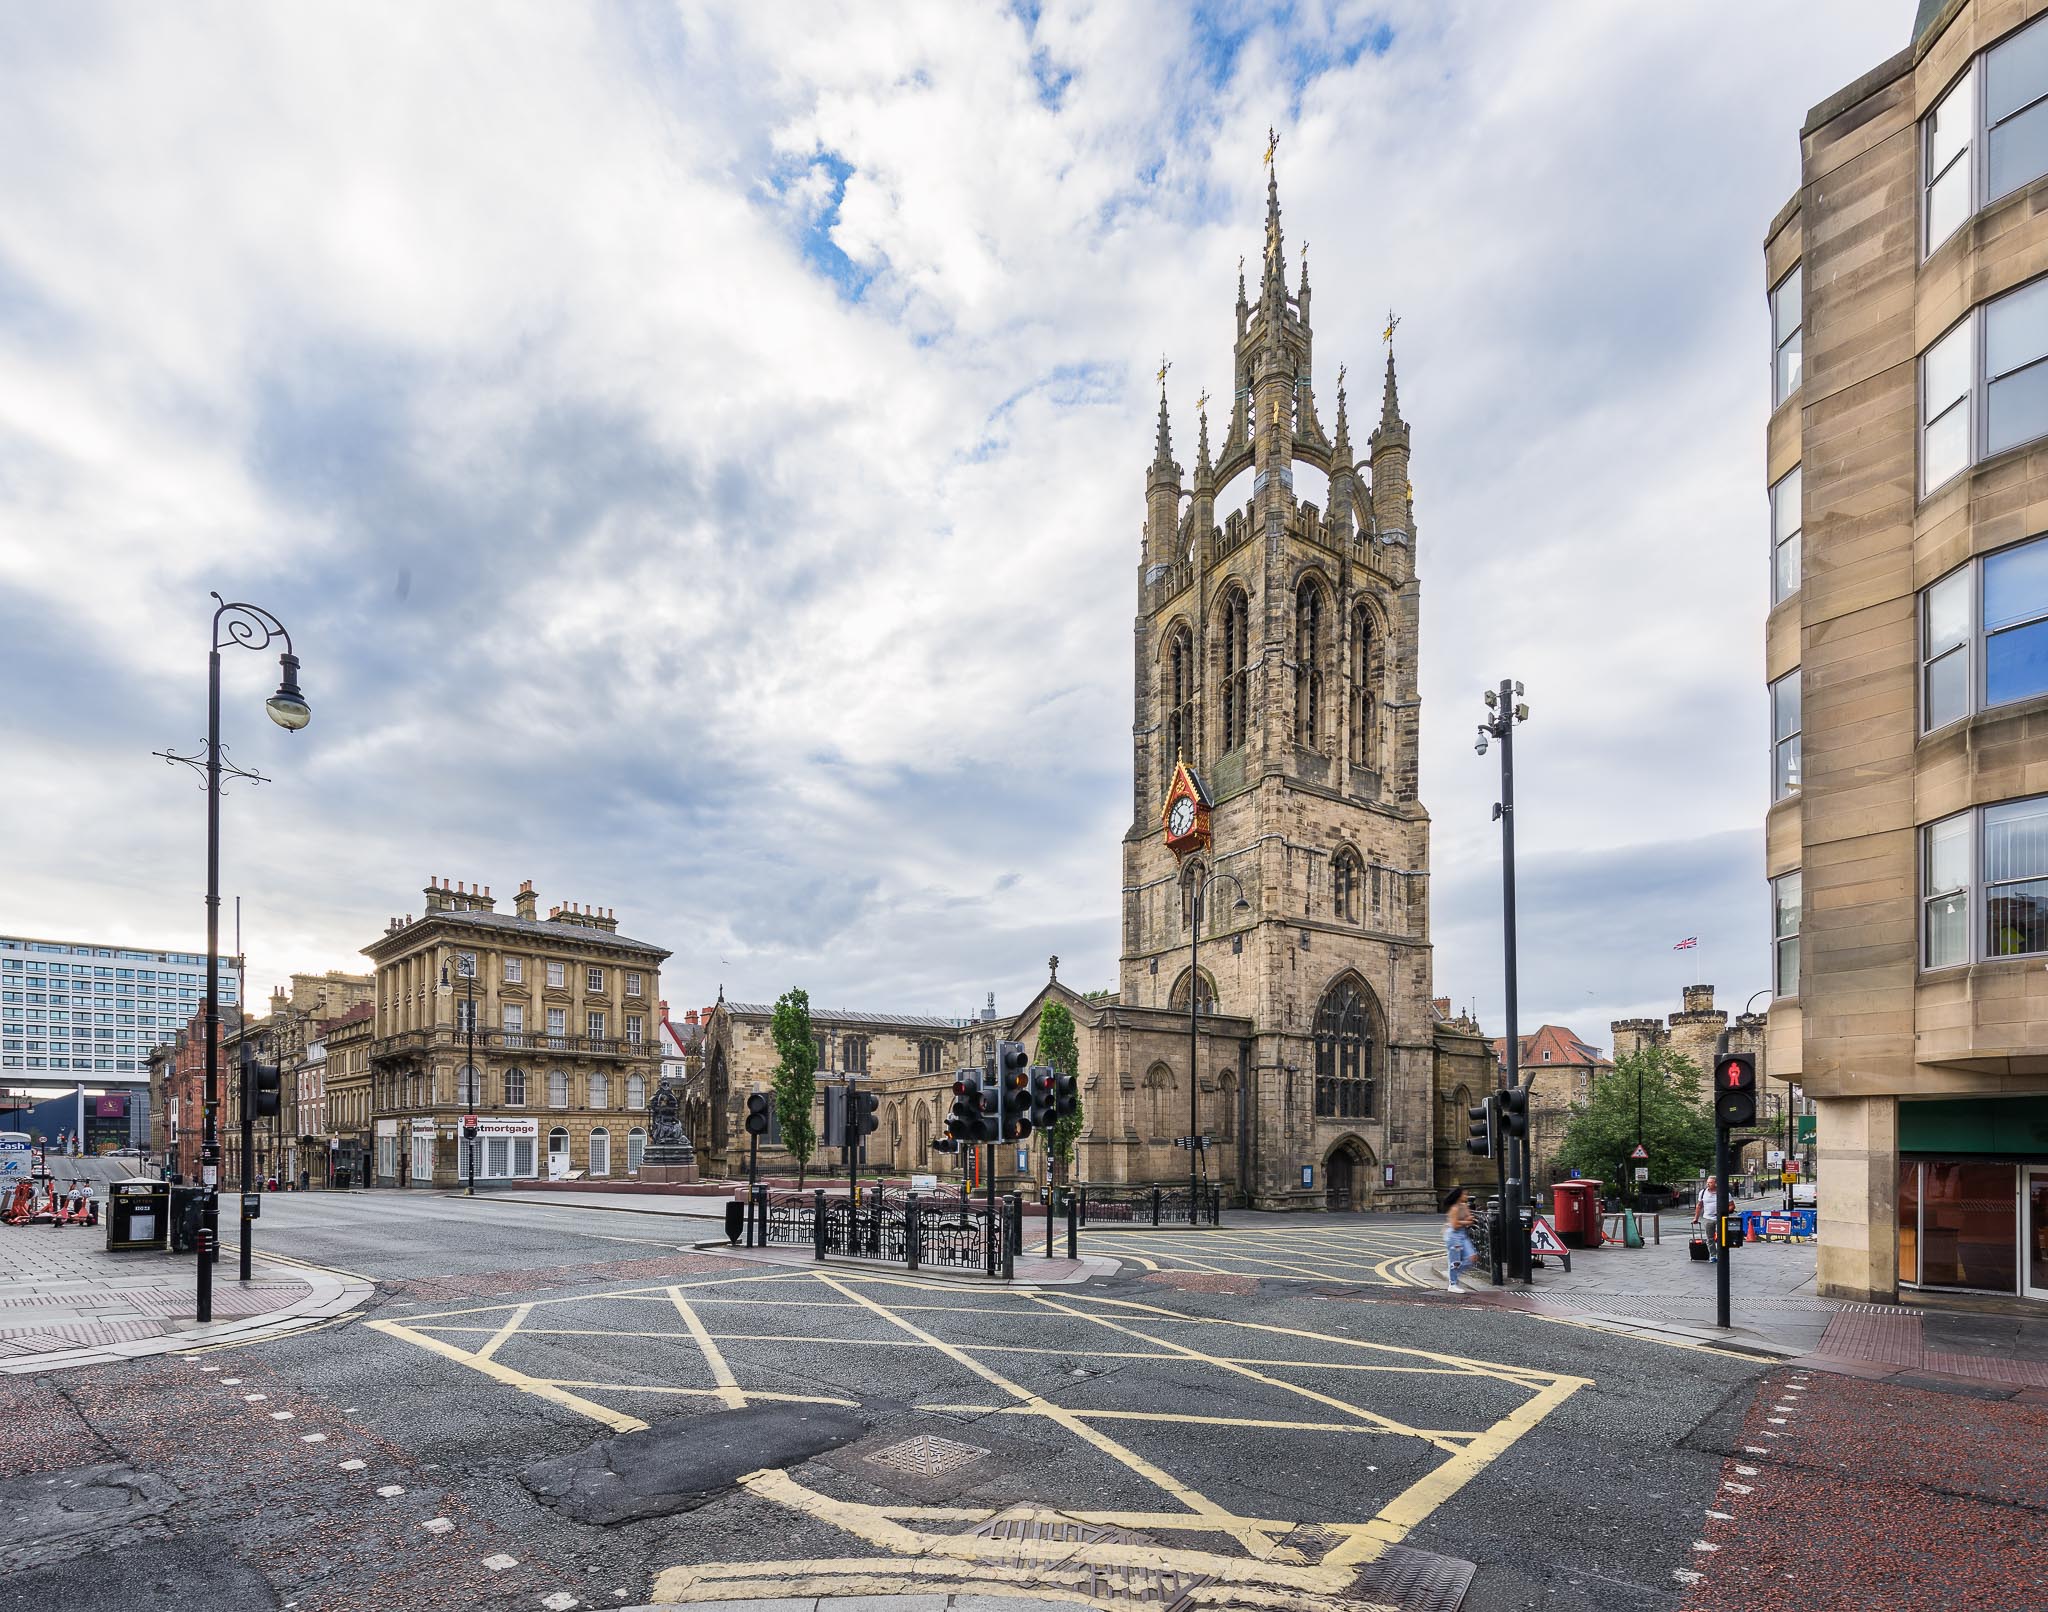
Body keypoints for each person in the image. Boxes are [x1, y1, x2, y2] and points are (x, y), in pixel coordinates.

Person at [1442, 1186, 1476, 1294]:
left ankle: (1452, 1273)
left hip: (1462, 1234)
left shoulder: (1464, 1206)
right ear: (1459, 1196)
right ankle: (1452, 1284)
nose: (1466, 1196)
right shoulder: (1454, 1209)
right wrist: (1464, 1221)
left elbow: (1471, 1219)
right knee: (1455, 1262)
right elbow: (1455, 1225)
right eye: (1464, 1194)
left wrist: (1462, 1221)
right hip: (1453, 1236)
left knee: (1472, 1257)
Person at [1694, 1174, 1721, 1263]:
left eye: (1710, 1182)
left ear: (1716, 1183)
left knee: (1721, 1237)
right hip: (1708, 1218)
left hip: (1720, 1218)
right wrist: (1696, 1218)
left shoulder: (1722, 1192)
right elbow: (1699, 1205)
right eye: (1707, 1182)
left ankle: (1721, 1254)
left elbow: (1732, 1205)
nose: (1708, 1184)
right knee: (1710, 1238)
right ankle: (1713, 1256)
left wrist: (1723, 1211)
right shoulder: (1703, 1192)